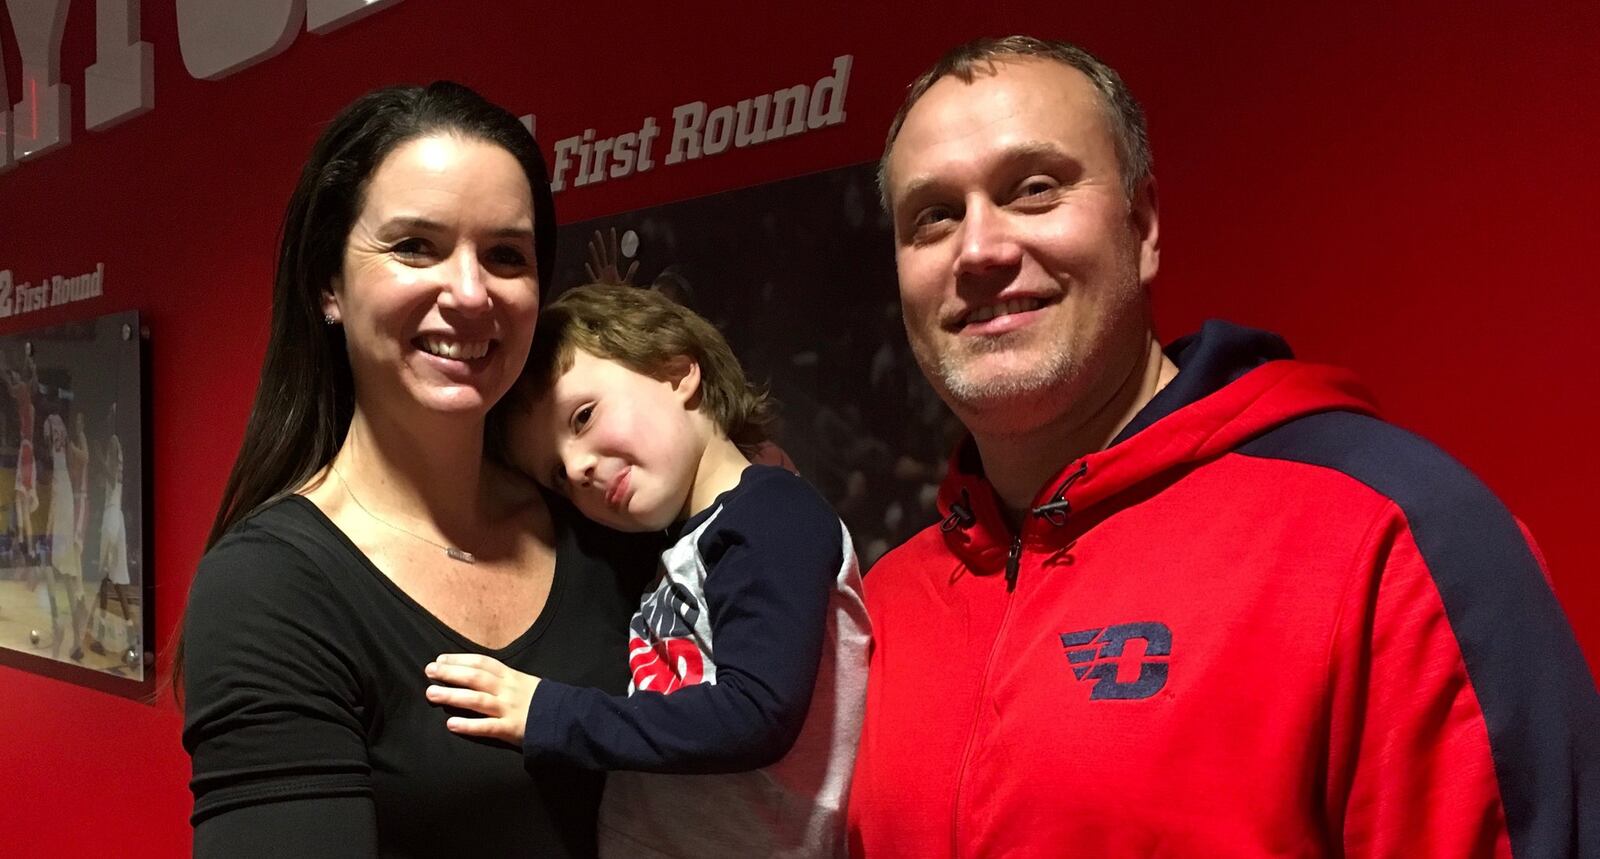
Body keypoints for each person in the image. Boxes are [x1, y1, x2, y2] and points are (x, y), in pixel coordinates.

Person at [847, 36, 1600, 857]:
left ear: (1143, 223)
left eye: (1034, 190)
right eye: (934, 215)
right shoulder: (880, 609)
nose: (980, 249)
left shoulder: (1387, 536)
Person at [179, 82, 655, 857]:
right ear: (326, 284)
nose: (470, 293)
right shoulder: (271, 588)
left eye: (505, 255)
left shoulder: (604, 523)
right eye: (414, 247)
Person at [422, 284, 870, 857]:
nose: (578, 466)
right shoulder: (677, 547)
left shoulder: (774, 513)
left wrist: (550, 713)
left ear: (677, 371)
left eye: (583, 417)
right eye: (557, 474)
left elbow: (757, 712)